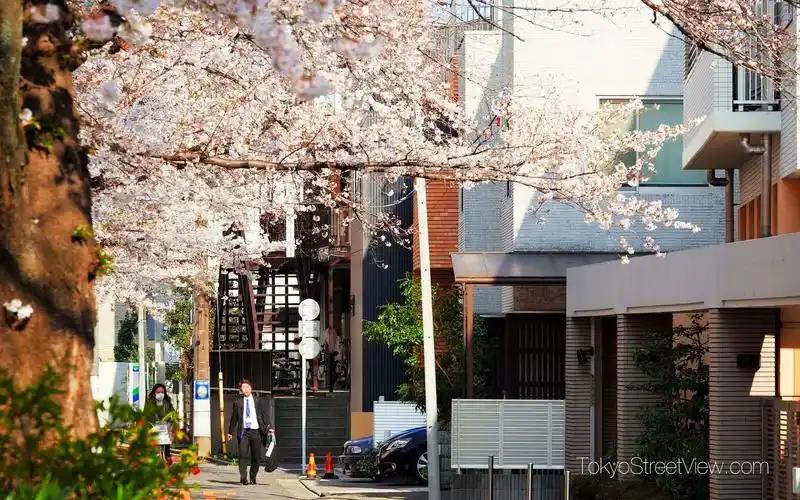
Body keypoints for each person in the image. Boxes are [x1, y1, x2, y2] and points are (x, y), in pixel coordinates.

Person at [227, 379, 271, 485]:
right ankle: (243, 477)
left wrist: (270, 427)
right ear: (241, 390)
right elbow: (234, 418)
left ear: (251, 388)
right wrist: (230, 432)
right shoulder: (238, 402)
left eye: (247, 387)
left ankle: (253, 476)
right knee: (243, 455)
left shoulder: (258, 400)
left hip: (256, 431)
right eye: (243, 388)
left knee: (256, 457)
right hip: (244, 432)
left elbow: (264, 415)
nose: (246, 389)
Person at [146, 383, 175, 461]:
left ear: (164, 393)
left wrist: (169, 422)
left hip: (165, 427)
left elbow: (172, 413)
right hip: (154, 427)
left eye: (162, 392)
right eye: (158, 392)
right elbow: (146, 415)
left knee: (167, 442)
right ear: (154, 393)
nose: (160, 394)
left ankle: (168, 456)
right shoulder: (149, 404)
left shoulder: (167, 403)